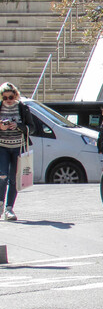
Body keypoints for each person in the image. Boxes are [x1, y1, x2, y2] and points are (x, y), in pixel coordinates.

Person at [0, 82, 35, 221]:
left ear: (16, 95)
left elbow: (31, 128)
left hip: (18, 147)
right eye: (5, 97)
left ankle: (9, 208)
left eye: (11, 96)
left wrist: (18, 126)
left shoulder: (22, 108)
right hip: (2, 146)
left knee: (14, 178)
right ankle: (0, 203)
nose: (8, 100)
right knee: (2, 175)